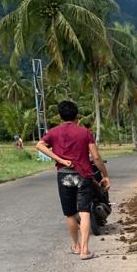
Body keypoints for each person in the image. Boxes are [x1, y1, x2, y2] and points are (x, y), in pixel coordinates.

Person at [36, 100, 110, 260]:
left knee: (69, 213)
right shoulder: (85, 132)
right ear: (76, 115)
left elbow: (40, 145)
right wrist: (105, 175)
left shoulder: (54, 132)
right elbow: (96, 157)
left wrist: (60, 160)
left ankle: (75, 246)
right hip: (83, 175)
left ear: (60, 116)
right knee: (84, 213)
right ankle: (85, 251)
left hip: (64, 175)